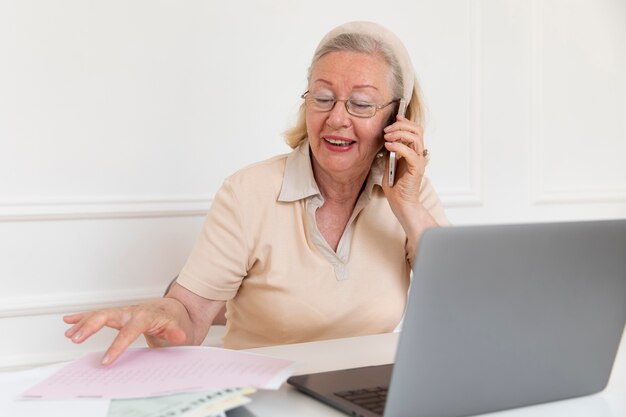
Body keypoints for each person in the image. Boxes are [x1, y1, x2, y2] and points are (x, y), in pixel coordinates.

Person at [63, 21, 449, 366]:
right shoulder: (248, 192)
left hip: (369, 395)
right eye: (322, 97)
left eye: (361, 104)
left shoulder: (409, 192)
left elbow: (458, 305)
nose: (336, 118)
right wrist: (164, 315)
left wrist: (409, 206)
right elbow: (191, 314)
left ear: (397, 117)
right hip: (263, 399)